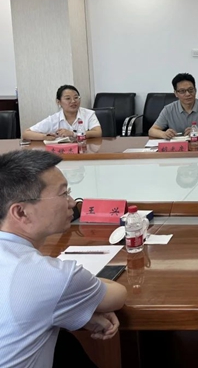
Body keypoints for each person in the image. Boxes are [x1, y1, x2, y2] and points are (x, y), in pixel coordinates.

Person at [0, 151, 127, 368]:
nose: (72, 202)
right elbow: (117, 296)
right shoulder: (49, 276)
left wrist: (71, 309)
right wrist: (71, 299)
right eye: (63, 193)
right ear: (21, 212)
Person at [148, 73, 198, 139]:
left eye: (190, 90)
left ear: (195, 90)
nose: (188, 94)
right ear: (176, 93)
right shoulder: (168, 109)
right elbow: (152, 130)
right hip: (178, 148)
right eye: (182, 91)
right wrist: (164, 134)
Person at [22, 85, 102, 141]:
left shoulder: (89, 114)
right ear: (58, 102)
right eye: (68, 98)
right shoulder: (53, 119)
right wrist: (45, 137)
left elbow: (98, 132)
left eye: (76, 97)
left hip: (85, 152)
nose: (73, 101)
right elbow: (26, 133)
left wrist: (73, 134)